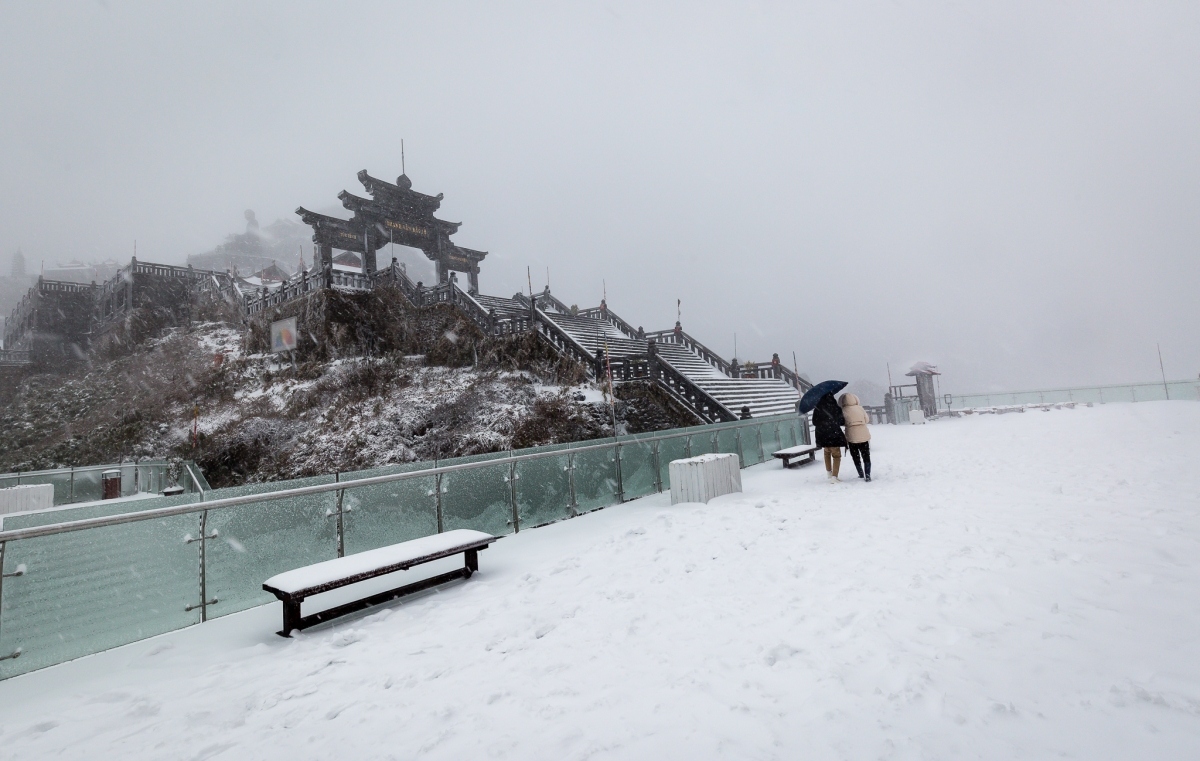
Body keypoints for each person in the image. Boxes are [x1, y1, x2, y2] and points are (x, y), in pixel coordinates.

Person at [812, 391, 847, 483]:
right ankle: (834, 477)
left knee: (826, 452)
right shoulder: (836, 408)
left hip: (822, 435)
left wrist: (823, 424)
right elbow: (842, 422)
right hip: (834, 434)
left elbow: (814, 422)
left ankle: (829, 472)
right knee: (836, 455)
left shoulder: (818, 408)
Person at [839, 392, 872, 481]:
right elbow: (867, 420)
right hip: (863, 435)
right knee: (866, 456)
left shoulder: (843, 410)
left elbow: (841, 422)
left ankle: (860, 473)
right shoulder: (860, 408)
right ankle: (868, 474)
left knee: (855, 456)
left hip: (851, 436)